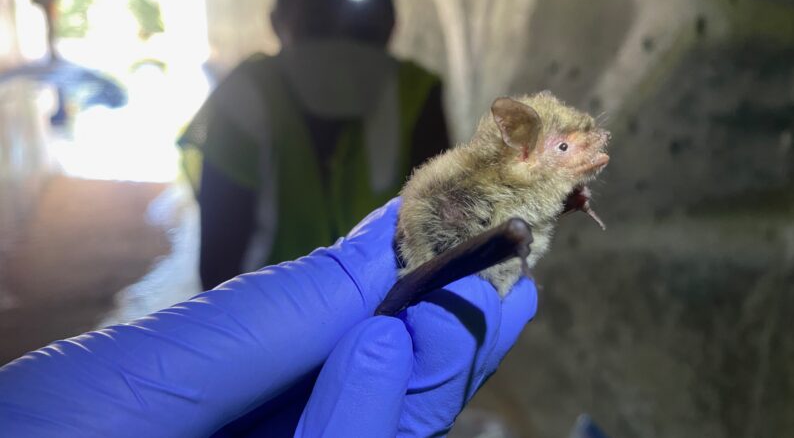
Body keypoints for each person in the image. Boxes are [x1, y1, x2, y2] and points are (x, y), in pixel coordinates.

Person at [0, 199, 538, 437]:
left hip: (370, 285)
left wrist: (219, 307)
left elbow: (222, 221)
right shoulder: (409, 87)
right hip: (344, 290)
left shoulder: (254, 88)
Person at [179, 0, 451, 291]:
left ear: (276, 20)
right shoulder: (416, 91)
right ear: (390, 21)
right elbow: (439, 238)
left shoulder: (241, 94)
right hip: (382, 313)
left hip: (264, 316)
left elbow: (216, 261)